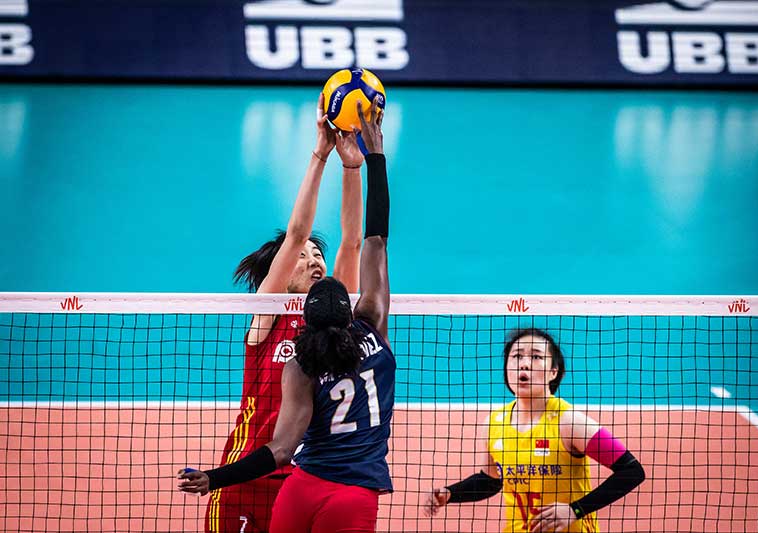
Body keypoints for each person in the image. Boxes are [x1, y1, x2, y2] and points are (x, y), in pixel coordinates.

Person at [179, 97, 392, 533]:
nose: (315, 260)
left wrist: (352, 167)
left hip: (305, 476)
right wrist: (320, 154)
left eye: (319, 255)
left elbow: (354, 243)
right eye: (304, 257)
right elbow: (295, 234)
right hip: (245, 479)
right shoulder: (268, 315)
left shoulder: (337, 323)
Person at [423, 328, 645, 533]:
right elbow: (490, 480)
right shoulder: (493, 424)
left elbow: (632, 471)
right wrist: (450, 493)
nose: (524, 363)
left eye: (536, 356)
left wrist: (575, 509)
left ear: (553, 372)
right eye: (517, 356)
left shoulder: (570, 422)